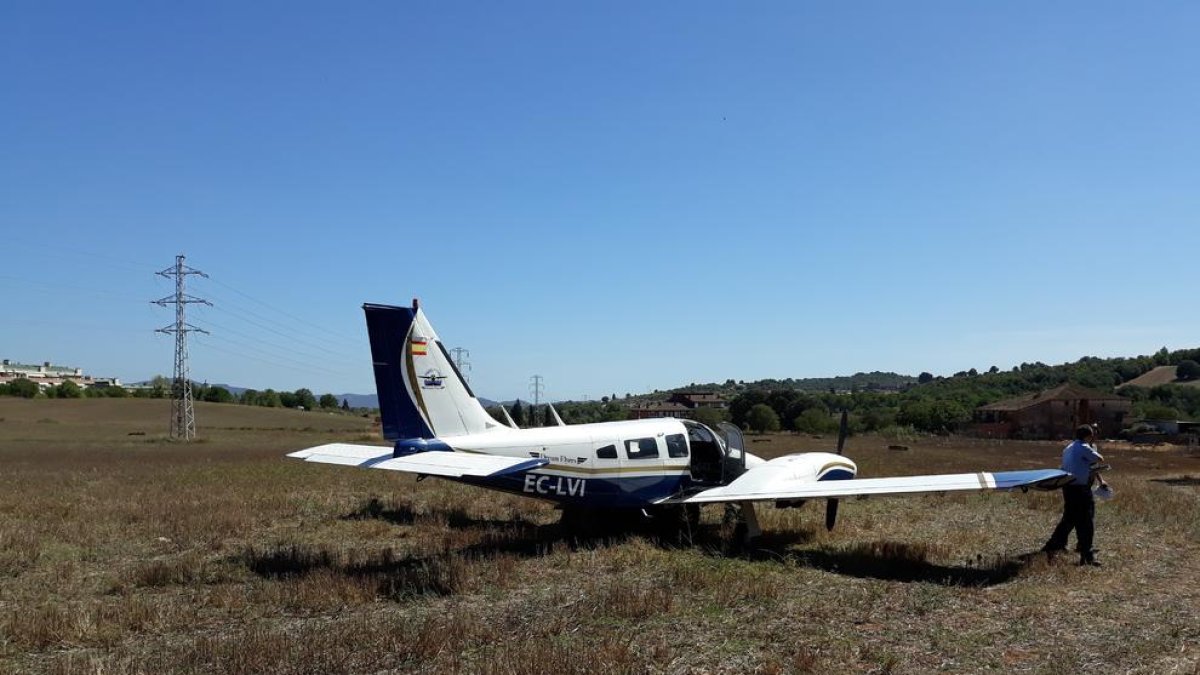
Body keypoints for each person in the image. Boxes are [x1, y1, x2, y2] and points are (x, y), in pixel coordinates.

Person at [1043, 424, 1109, 566]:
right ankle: (1087, 554)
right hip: (1080, 489)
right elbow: (1100, 459)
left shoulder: (1068, 447)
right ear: (1088, 435)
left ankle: (1054, 545)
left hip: (1068, 487)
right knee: (1086, 521)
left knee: (1070, 518)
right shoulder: (1084, 447)